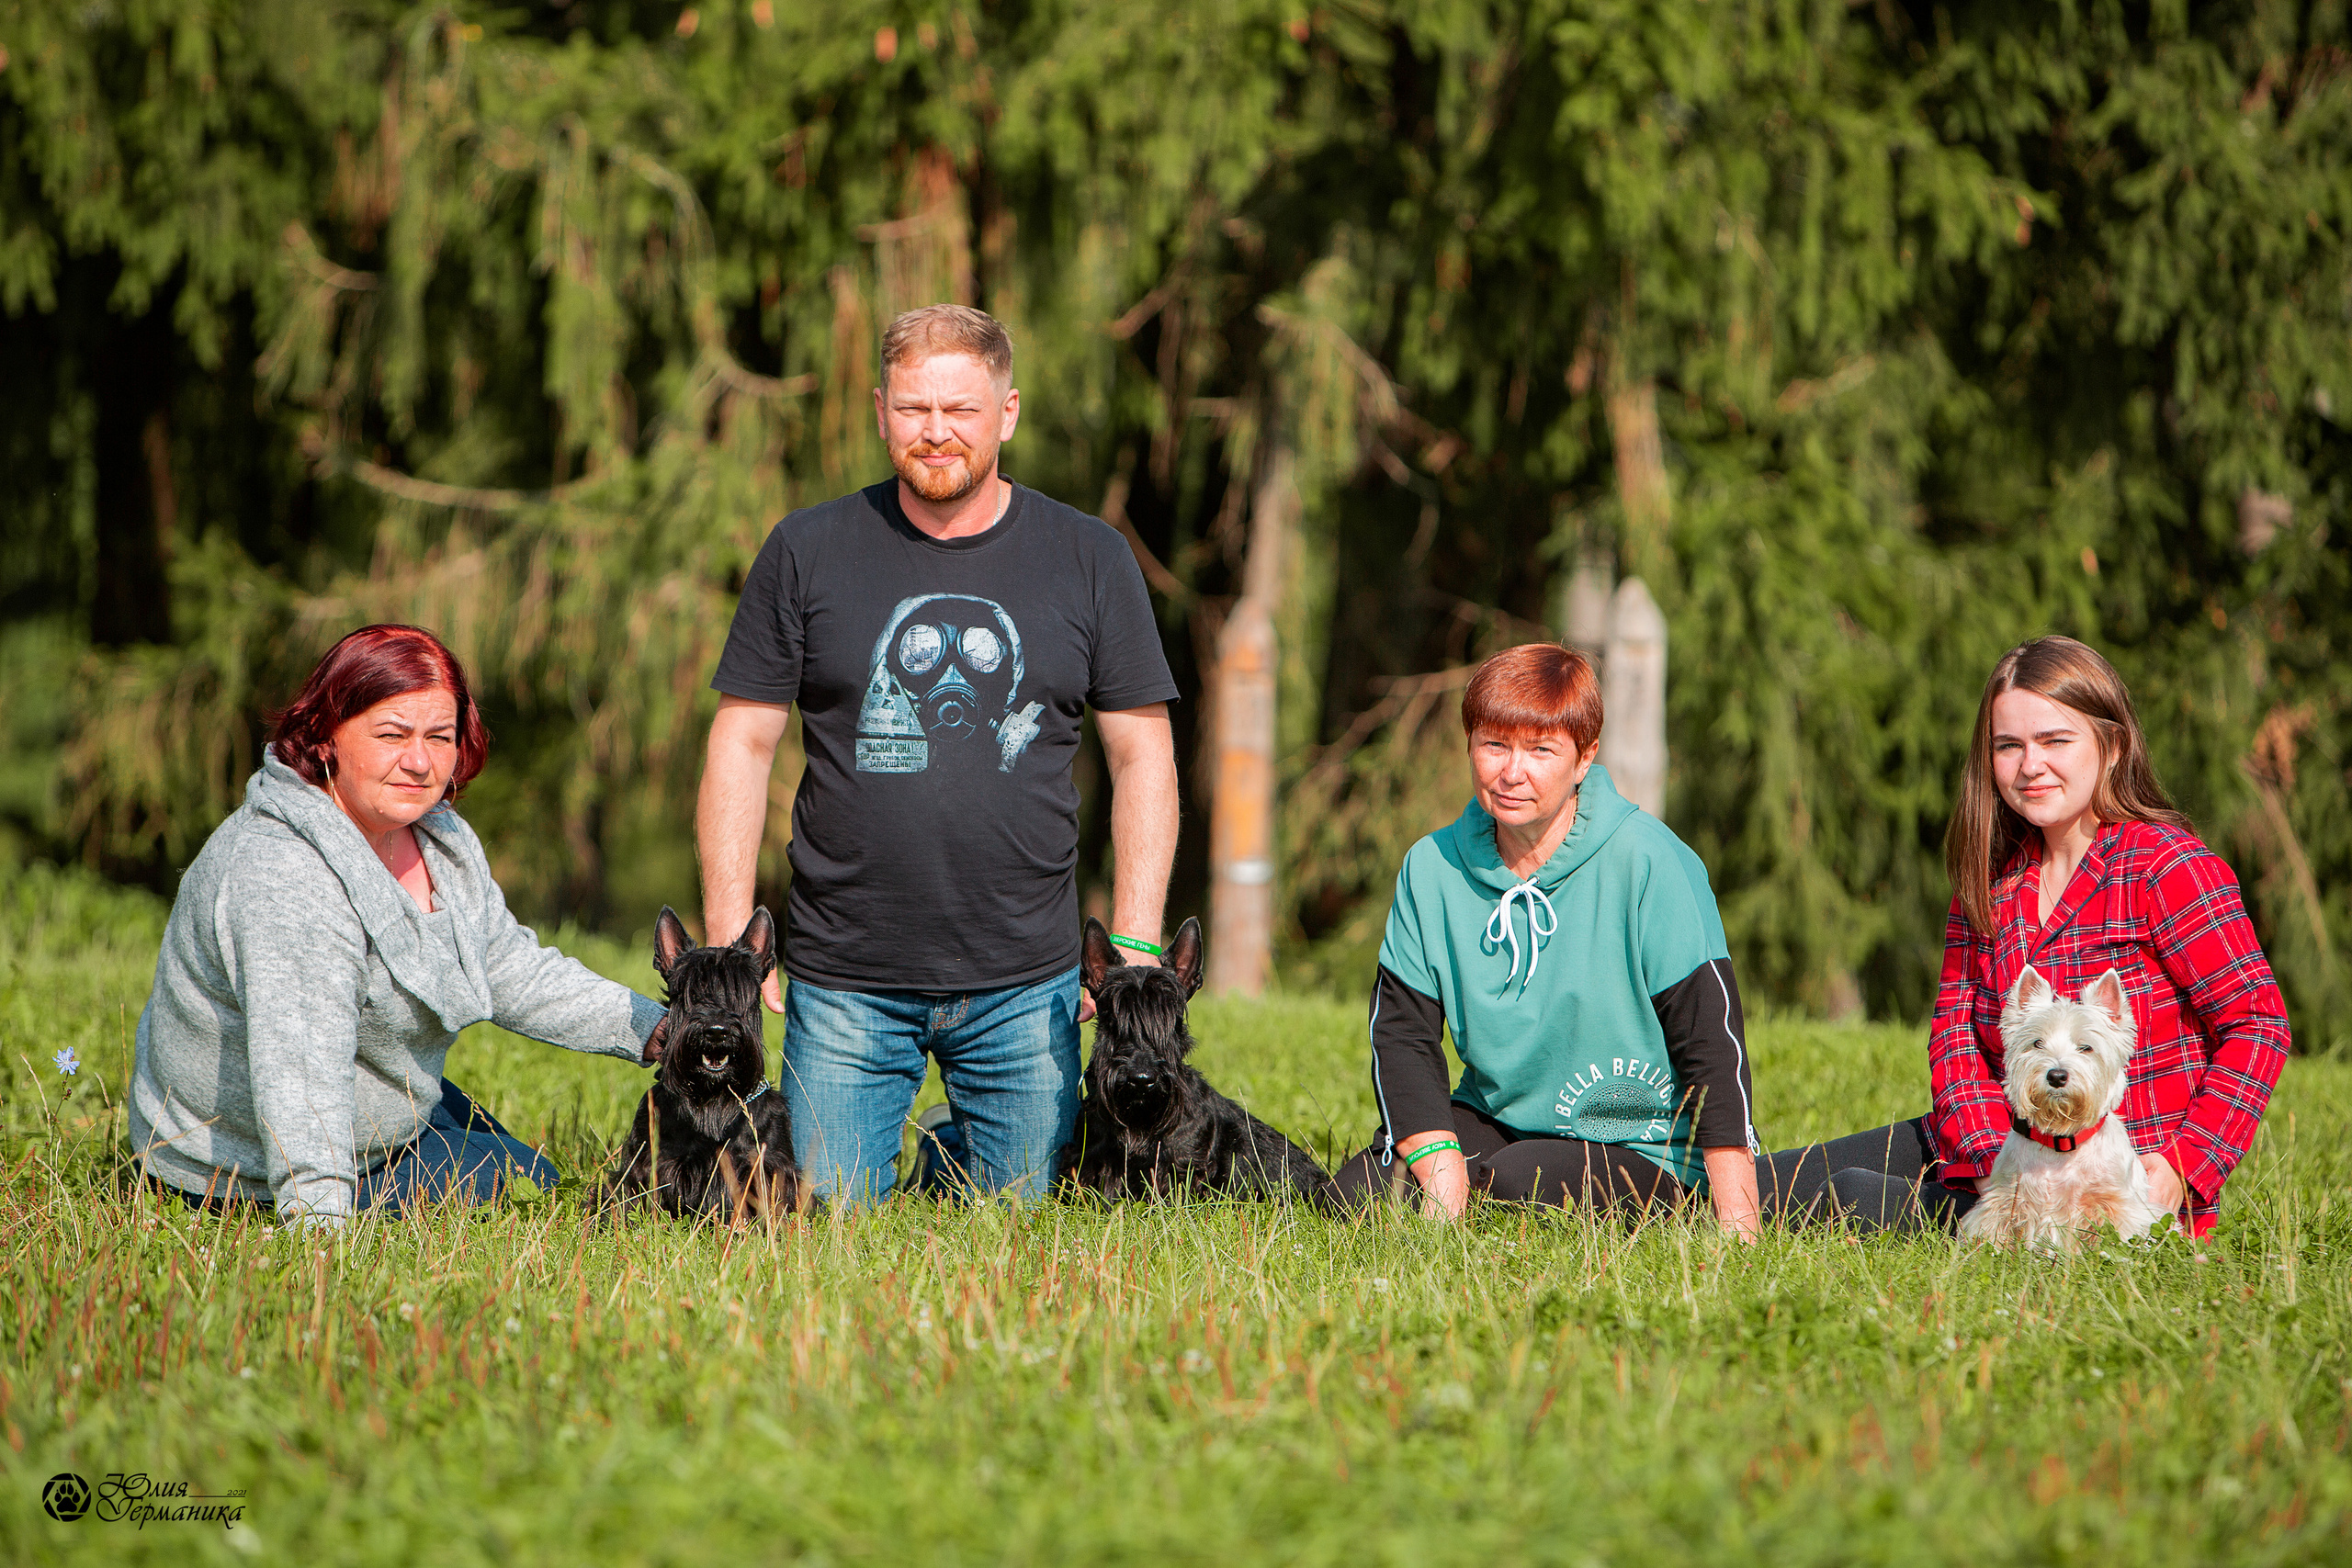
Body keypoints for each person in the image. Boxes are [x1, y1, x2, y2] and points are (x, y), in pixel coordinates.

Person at [696, 304, 1181, 1204]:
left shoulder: (1089, 557)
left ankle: (947, 1151)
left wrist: (1135, 940)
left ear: (1008, 412)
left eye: (961, 409)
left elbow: (1142, 753)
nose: (936, 431)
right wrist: (732, 943)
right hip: (846, 978)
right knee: (825, 1223)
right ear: (881, 412)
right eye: (915, 408)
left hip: (1025, 982)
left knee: (1026, 1222)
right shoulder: (807, 549)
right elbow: (742, 741)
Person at [130, 625, 670, 1225]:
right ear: (326, 734)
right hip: (240, 1161)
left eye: (440, 737)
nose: (419, 762)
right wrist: (320, 1232)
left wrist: (660, 1029)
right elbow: (300, 1073)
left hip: (382, 1103)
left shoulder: (436, 834)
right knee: (534, 1186)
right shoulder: (286, 875)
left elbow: (505, 965)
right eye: (392, 734)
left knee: (524, 1171)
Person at [1757, 636, 2292, 1237]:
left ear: (2113, 747)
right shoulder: (1990, 881)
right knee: (1757, 1185)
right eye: (2008, 745)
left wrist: (2183, 1165)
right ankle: (1664, 1197)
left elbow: (2258, 1023)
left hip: (2108, 1187)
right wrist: (1995, 1160)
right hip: (1996, 1156)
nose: (2030, 765)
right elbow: (1955, 1042)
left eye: (2055, 741)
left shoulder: (2168, 868)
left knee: (1852, 1195)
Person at [1329, 643, 1762, 1235]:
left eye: (1541, 750)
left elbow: (1711, 1041)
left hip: (1642, 1143)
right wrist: (1440, 1165)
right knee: (1357, 1194)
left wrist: (1738, 1218)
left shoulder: (1651, 861)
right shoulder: (1430, 868)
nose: (1512, 772)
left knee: (1515, 1183)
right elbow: (1402, 1035)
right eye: (1494, 745)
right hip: (1497, 1119)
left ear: (1585, 758)